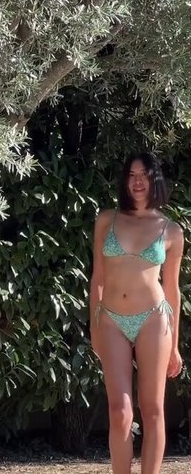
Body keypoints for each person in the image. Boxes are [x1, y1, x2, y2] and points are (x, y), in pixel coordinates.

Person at [90, 152, 184, 474]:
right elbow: (97, 279)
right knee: (120, 413)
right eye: (131, 175)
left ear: (155, 179)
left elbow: (172, 290)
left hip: (154, 320)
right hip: (111, 320)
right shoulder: (106, 220)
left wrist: (175, 346)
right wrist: (94, 328)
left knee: (153, 409)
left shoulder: (171, 230)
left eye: (144, 174)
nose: (137, 181)